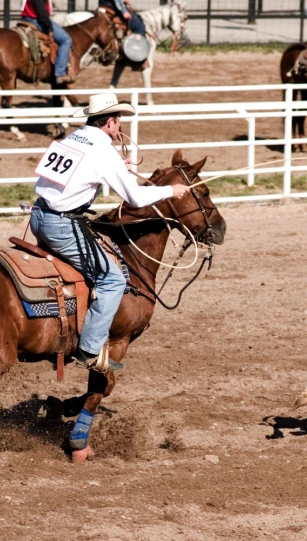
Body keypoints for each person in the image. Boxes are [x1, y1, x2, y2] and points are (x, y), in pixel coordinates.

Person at [30, 93, 189, 373]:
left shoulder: (74, 138)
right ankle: (90, 350)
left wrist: (118, 169)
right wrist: (171, 191)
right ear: (110, 122)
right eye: (119, 121)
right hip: (61, 225)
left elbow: (76, 174)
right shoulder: (103, 151)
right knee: (113, 279)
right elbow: (136, 199)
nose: (120, 128)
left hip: (39, 216)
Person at [21, 0, 75, 84]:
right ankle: (60, 73)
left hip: (27, 18)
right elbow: (42, 15)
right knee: (66, 40)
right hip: (36, 20)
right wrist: (50, 28)